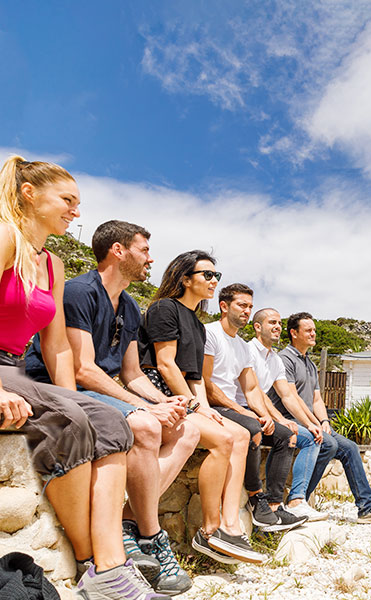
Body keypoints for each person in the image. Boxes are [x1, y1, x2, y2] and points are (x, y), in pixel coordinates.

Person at [0, 155, 168, 600]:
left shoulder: (51, 264)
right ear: (29, 193)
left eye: (79, 202)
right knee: (70, 422)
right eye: (68, 199)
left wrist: (72, 400)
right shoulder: (5, 239)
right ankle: (93, 562)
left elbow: (56, 347)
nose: (76, 210)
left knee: (108, 423)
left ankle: (112, 567)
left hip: (16, 367)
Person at [25, 220, 199, 595]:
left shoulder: (132, 306)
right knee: (148, 428)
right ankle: (152, 537)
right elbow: (81, 369)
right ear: (118, 251)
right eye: (144, 250)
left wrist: (164, 401)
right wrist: (145, 409)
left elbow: (132, 373)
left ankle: (124, 521)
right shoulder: (78, 292)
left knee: (187, 430)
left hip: (102, 390)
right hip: (55, 386)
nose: (151, 259)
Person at [138, 251, 264, 564]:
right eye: (206, 275)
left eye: (215, 276)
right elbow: (166, 366)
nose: (213, 281)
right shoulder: (164, 309)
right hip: (159, 393)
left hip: (185, 396)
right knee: (223, 440)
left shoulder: (196, 323)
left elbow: (195, 377)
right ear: (184, 278)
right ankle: (209, 530)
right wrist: (196, 406)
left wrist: (204, 407)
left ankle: (231, 525)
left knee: (240, 435)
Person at [268, 312, 371, 525]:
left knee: (350, 448)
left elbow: (317, 399)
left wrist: (325, 421)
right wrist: (312, 424)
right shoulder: (285, 359)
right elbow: (293, 399)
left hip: (310, 420)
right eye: (308, 330)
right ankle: (297, 502)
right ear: (293, 333)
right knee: (327, 443)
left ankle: (367, 509)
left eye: (314, 330)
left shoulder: (309, 363)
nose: (313, 333)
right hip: (290, 418)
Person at [202, 285, 306, 532]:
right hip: (213, 405)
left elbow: (251, 390)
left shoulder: (241, 346)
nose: (247, 311)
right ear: (224, 306)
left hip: (234, 407)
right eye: (242, 305)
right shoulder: (210, 333)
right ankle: (255, 498)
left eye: (250, 306)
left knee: (286, 435)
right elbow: (205, 383)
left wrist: (264, 414)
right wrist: (245, 413)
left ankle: (273, 505)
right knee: (252, 429)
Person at [248, 308, 327, 522]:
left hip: (264, 412)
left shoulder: (274, 358)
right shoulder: (249, 351)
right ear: (257, 327)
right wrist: (281, 420)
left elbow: (288, 396)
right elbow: (254, 392)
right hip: (247, 410)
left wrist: (311, 423)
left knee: (306, 436)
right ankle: (284, 503)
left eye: (279, 323)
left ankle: (280, 504)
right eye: (272, 322)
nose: (277, 327)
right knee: (288, 434)